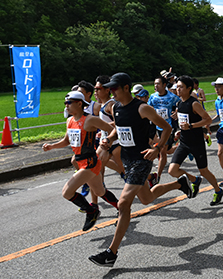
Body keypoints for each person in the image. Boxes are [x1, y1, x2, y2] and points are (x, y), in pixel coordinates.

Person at [89, 73, 195, 267]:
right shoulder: (117, 108)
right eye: (110, 89)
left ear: (126, 88)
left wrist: (157, 148)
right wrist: (109, 140)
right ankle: (180, 184)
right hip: (128, 160)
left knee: (123, 204)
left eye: (115, 88)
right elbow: (117, 129)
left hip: (142, 159)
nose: (111, 92)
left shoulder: (142, 108)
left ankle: (111, 253)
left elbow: (166, 128)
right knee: (146, 199)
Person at [42, 91, 119, 232]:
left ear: (79, 103)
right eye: (65, 103)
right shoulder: (70, 121)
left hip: (90, 163)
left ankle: (91, 211)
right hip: (81, 162)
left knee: (66, 192)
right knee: (100, 191)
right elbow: (66, 141)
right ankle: (122, 208)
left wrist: (106, 141)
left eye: (69, 103)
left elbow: (112, 129)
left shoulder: (89, 119)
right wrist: (52, 146)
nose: (66, 106)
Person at [169, 75, 223, 204]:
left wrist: (191, 126)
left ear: (189, 88)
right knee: (172, 170)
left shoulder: (194, 103)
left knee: (204, 170)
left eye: (181, 87)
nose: (178, 90)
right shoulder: (179, 103)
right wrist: (179, 131)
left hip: (196, 142)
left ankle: (218, 190)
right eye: (177, 87)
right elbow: (184, 122)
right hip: (183, 142)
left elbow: (208, 120)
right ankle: (194, 180)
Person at [147, 75, 181, 184]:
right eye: (154, 84)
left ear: (164, 85)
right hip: (157, 127)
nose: (155, 86)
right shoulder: (153, 97)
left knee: (162, 151)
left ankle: (157, 177)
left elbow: (181, 103)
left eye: (158, 84)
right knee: (166, 151)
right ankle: (180, 147)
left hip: (168, 127)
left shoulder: (172, 97)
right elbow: (148, 108)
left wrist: (177, 112)